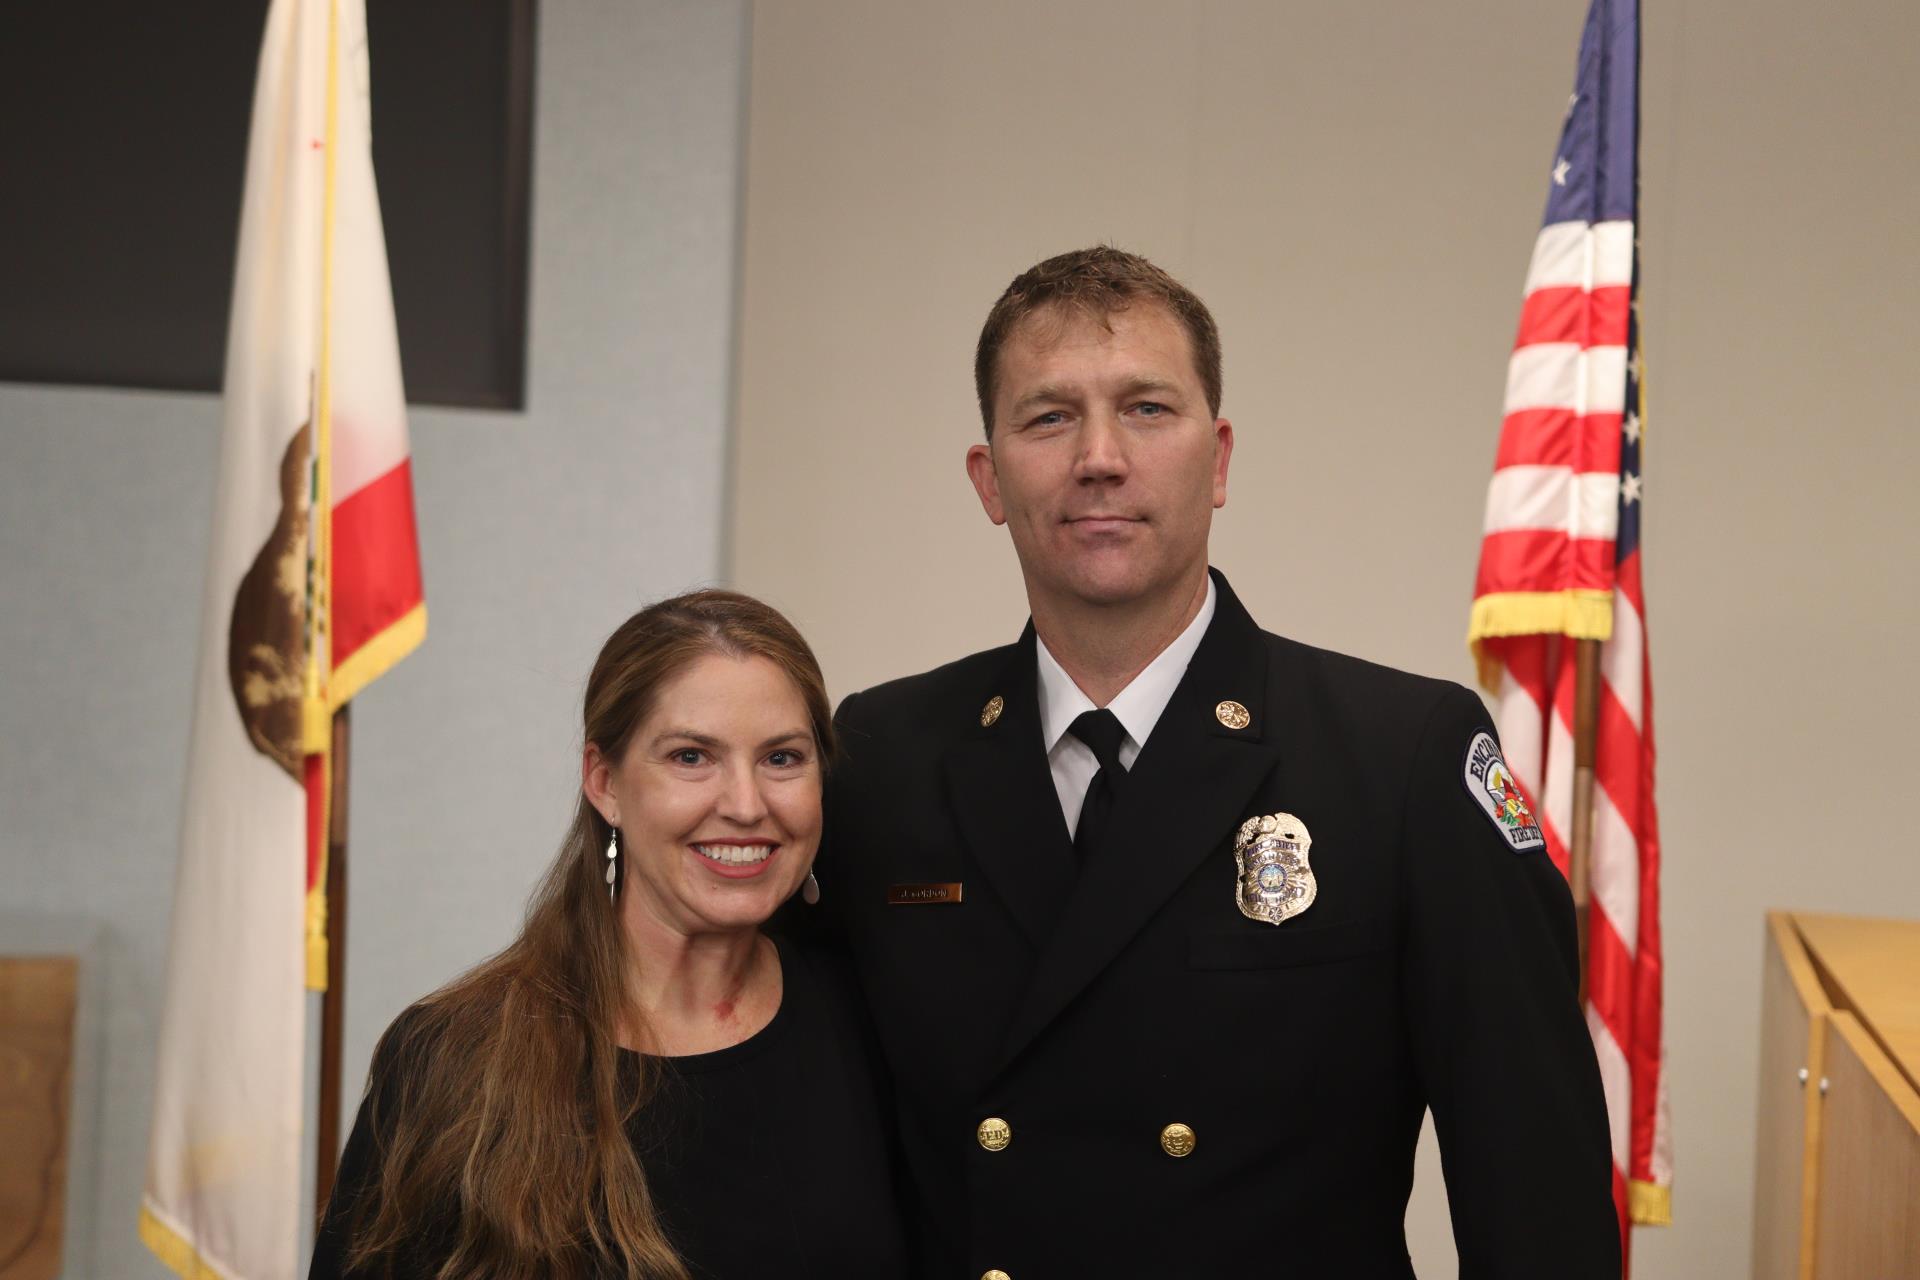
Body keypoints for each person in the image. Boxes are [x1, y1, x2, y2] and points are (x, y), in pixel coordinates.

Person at [816, 247, 1622, 1276]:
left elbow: (1536, 1199)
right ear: (989, 477)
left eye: (1148, 408)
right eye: (1048, 416)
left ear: (1222, 457)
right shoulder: (884, 756)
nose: (1099, 456)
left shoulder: (1401, 759)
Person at [309, 591, 908, 1280]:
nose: (746, 805)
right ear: (605, 782)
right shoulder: (451, 1060)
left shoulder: (878, 1026)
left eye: (782, 759)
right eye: (691, 757)